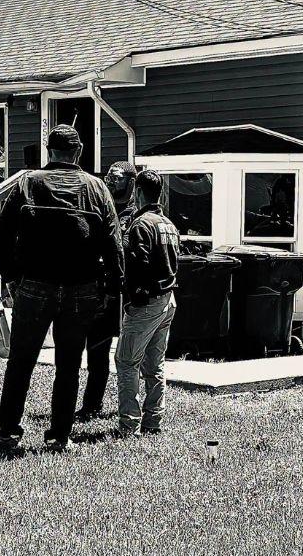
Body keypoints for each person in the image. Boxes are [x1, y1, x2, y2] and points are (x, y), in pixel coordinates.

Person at [0, 125, 123, 451]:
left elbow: (1, 236)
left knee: (21, 362)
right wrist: (112, 288)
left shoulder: (28, 183)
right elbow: (113, 243)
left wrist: (11, 277)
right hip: (81, 287)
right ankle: (59, 437)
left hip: (34, 285)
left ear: (49, 151)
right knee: (68, 365)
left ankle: (8, 432)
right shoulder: (96, 188)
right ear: (79, 152)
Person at [116, 170, 180, 436]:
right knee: (155, 365)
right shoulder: (168, 224)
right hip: (168, 299)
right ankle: (153, 421)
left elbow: (137, 263)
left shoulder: (141, 224)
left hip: (147, 302)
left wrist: (133, 299)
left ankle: (129, 424)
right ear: (160, 192)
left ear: (138, 191)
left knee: (127, 362)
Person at [76, 161, 137, 422]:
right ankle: (92, 404)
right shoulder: (101, 206)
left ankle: (130, 405)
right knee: (95, 350)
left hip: (125, 294)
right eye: (109, 177)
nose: (110, 181)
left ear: (131, 182)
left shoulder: (134, 215)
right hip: (97, 289)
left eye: (117, 177)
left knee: (127, 354)